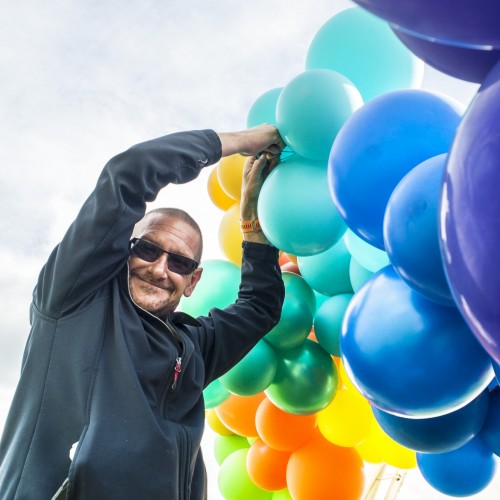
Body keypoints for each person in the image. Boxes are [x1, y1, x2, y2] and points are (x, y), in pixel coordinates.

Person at [0, 125, 286, 499]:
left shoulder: (194, 347)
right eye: (148, 250)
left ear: (193, 280)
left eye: (180, 263)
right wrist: (242, 142)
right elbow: (129, 173)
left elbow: (259, 307)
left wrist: (250, 220)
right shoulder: (74, 300)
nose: (159, 269)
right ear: (125, 250)